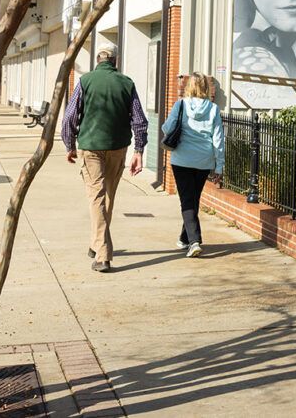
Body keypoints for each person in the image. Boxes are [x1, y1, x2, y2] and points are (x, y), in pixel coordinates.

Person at [61, 44, 147, 273]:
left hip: (91, 147)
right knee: (107, 197)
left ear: (97, 60)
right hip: (118, 147)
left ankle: (103, 255)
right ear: (116, 62)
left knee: (96, 197)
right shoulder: (127, 83)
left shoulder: (85, 81)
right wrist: (139, 151)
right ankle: (96, 242)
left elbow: (70, 116)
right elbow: (139, 120)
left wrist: (69, 144)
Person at [162, 73, 225, 258]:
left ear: (189, 86)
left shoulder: (180, 105)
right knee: (193, 199)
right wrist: (219, 166)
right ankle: (184, 238)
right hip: (204, 160)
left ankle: (194, 241)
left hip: (182, 159)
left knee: (187, 201)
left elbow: (167, 128)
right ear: (205, 87)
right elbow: (218, 140)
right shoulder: (213, 109)